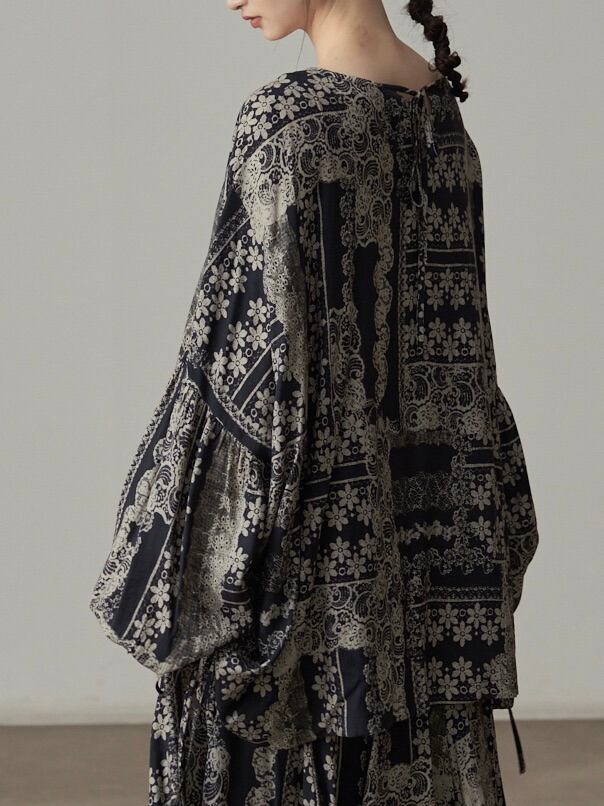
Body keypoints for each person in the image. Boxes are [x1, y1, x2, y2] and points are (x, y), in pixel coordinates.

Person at [89, 1, 540, 803]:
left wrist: (181, 553)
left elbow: (238, 367)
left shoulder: (287, 122)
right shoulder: (447, 125)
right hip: (436, 571)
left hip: (308, 586)